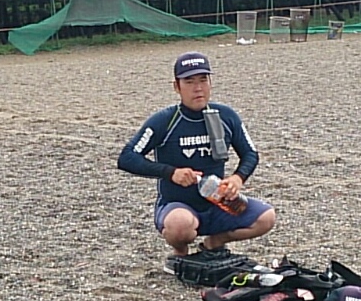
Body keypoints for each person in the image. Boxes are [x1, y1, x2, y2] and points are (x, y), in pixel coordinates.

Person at [118, 52, 276, 260]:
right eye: (189, 81)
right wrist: (170, 172)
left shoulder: (226, 116)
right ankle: (180, 253)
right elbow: (127, 157)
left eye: (203, 80)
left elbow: (250, 154)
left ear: (211, 83)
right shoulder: (164, 120)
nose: (198, 88)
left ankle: (214, 243)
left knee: (266, 218)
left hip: (218, 202)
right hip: (177, 206)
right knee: (180, 225)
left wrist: (238, 178)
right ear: (177, 87)